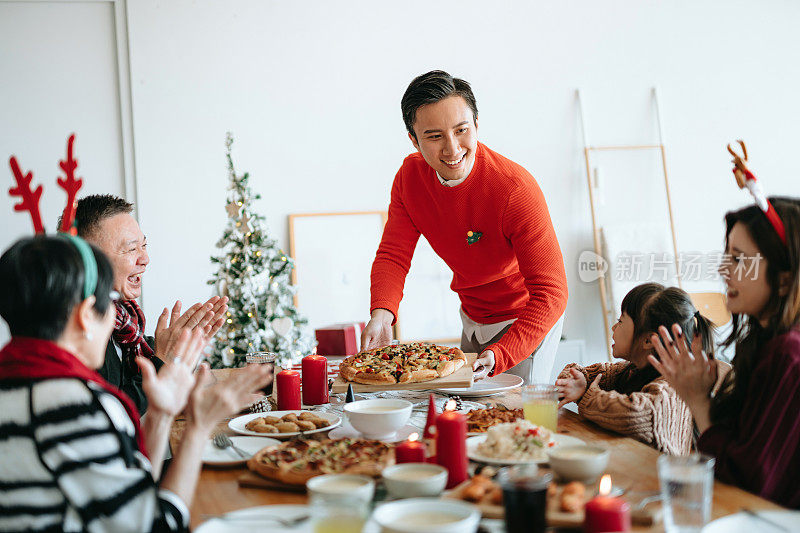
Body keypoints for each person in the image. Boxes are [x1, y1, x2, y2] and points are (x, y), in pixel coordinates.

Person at [0, 235, 270, 531]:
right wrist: (199, 427)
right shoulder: (70, 404)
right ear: (85, 315)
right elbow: (154, 525)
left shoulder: (17, 383)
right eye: (111, 303)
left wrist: (160, 413)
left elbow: (135, 492)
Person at [362, 70, 568, 383]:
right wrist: (382, 313)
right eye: (434, 136)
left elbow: (551, 292)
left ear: (475, 125)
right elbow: (394, 254)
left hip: (526, 320)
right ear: (414, 140)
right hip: (471, 316)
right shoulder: (409, 178)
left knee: (517, 419)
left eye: (461, 130)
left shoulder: (515, 189)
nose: (452, 148)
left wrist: (502, 353)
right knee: (469, 416)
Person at [650, 197, 800, 508]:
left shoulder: (788, 354)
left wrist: (698, 401)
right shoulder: (768, 344)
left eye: (740, 259)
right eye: (726, 255)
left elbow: (748, 483)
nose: (723, 269)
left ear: (784, 280)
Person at [72, 194, 229, 414]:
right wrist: (163, 361)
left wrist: (181, 352)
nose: (145, 258)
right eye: (131, 248)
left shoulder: (124, 321)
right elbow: (107, 414)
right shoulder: (77, 332)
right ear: (89, 258)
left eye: (144, 245)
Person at [555, 283, 715, 454]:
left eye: (620, 321)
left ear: (648, 341)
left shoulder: (671, 389)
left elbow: (633, 414)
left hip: (658, 477)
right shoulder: (629, 370)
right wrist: (575, 382)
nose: (614, 327)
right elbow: (582, 373)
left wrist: (586, 394)